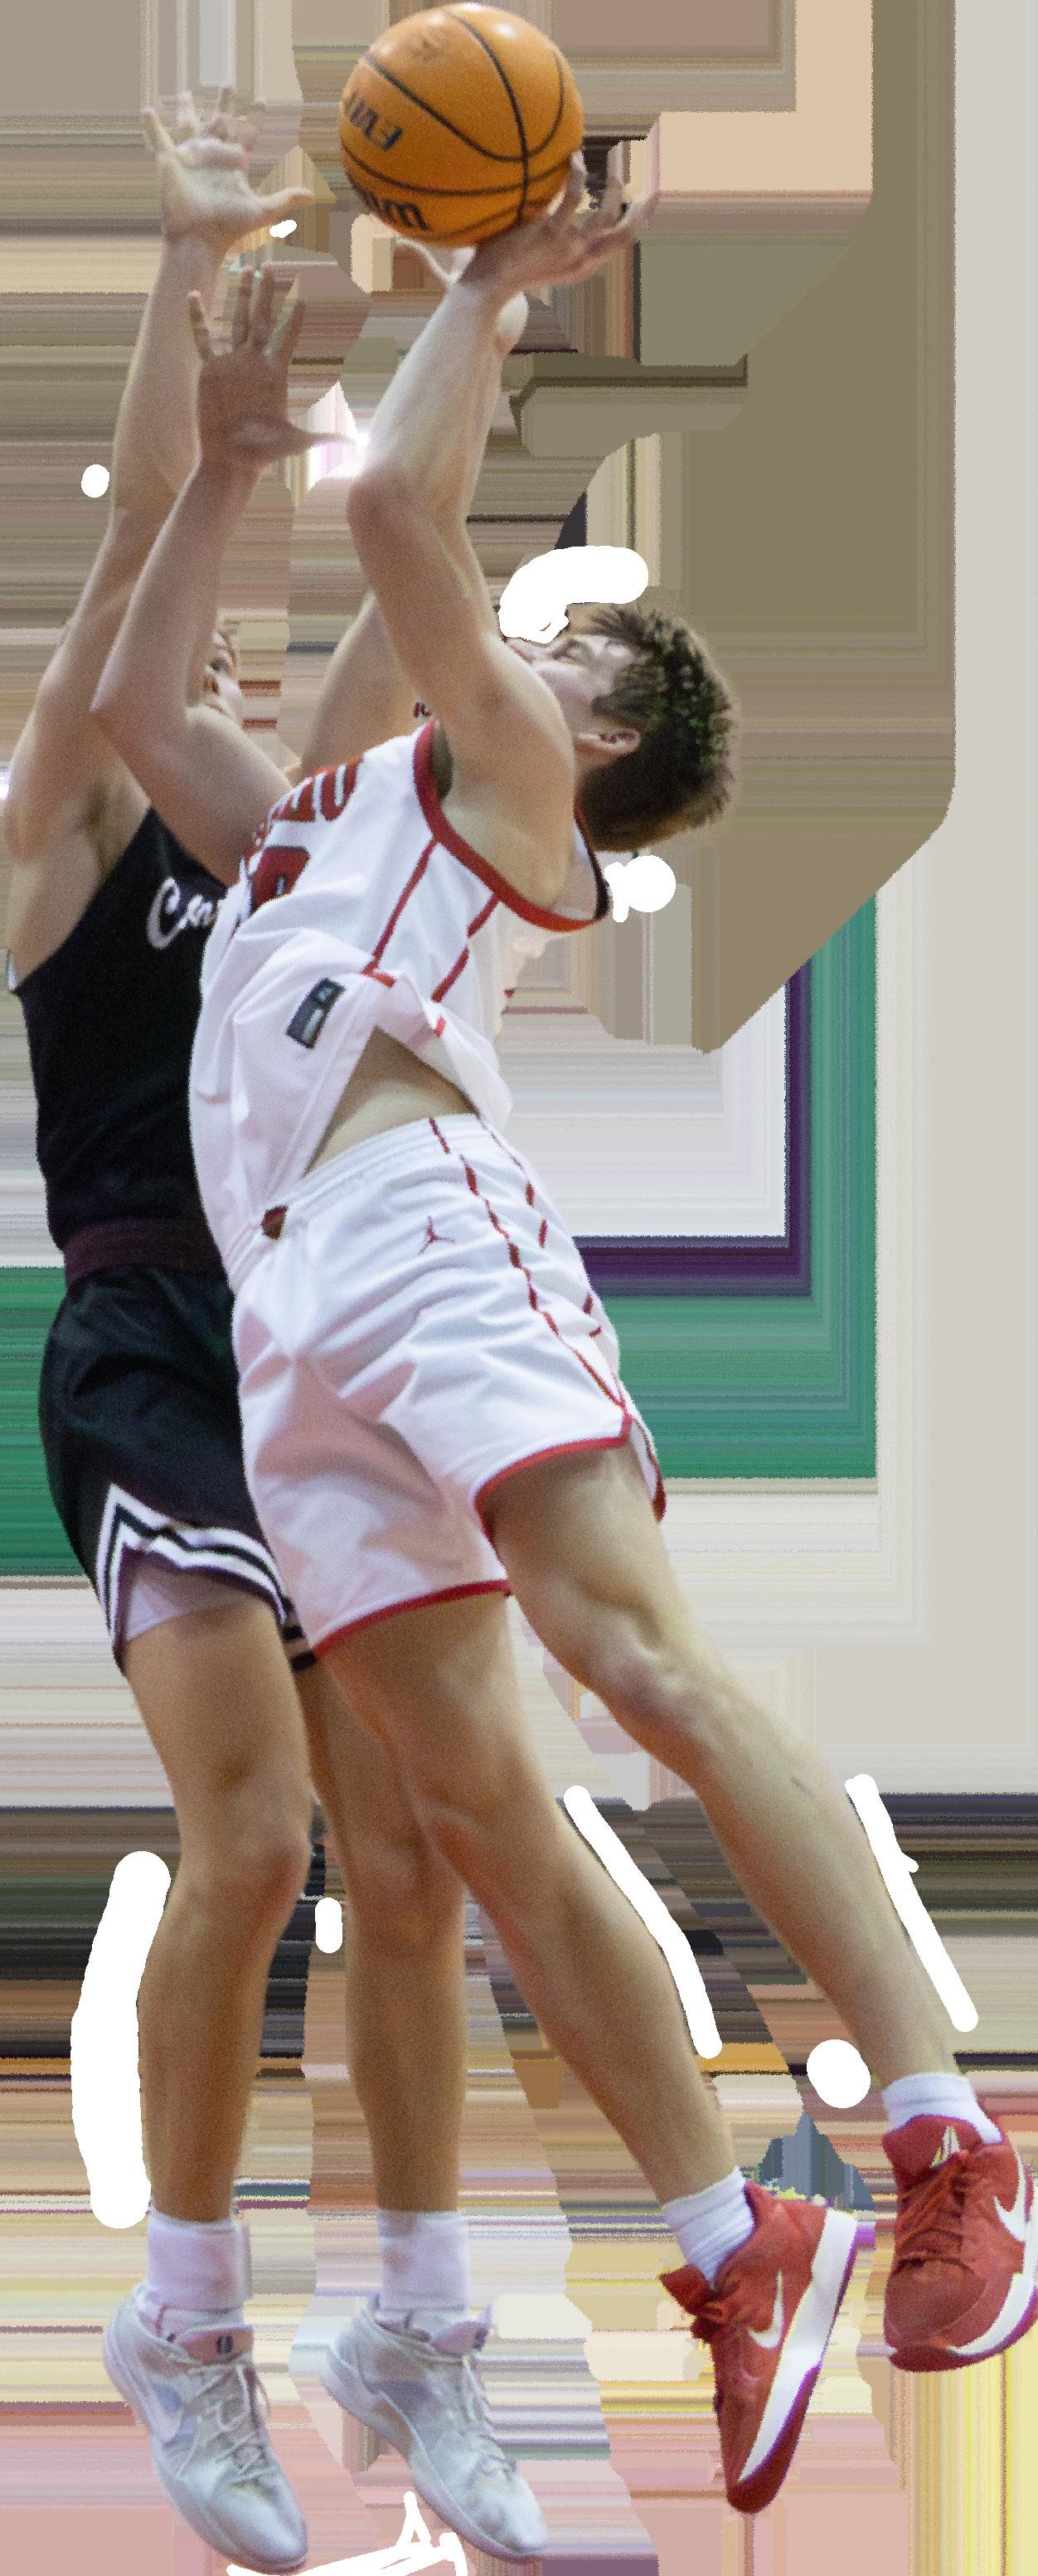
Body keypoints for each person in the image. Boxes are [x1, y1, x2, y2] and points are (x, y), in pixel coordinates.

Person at [92, 163, 1038, 2524]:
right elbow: (130, 700)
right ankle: (736, 2243)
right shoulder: (313, 824)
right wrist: (221, 446)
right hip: (288, 1326)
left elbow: (397, 506)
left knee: (633, 1657)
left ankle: (952, 2135)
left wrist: (490, 290)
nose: (529, 638)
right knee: (472, 1818)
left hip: (429, 1233)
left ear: (593, 729)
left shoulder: (517, 791)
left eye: (571, 647)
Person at [4, 95, 551, 2569]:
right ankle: (186, 2315)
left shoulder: (286, 829)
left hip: (324, 1339)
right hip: (152, 1344)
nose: (204, 647)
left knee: (415, 1859)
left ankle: (420, 2328)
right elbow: (138, 548)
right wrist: (189, 280)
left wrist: (484, 301)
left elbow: (396, 587)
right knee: (248, 1840)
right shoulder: (64, 833)